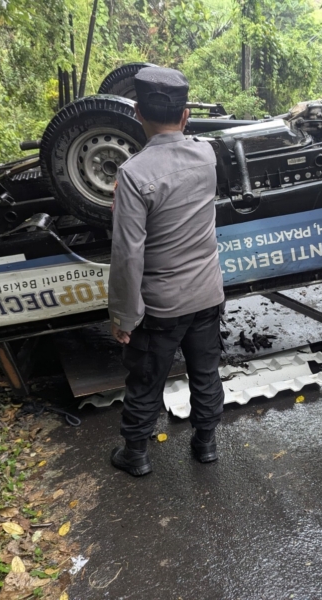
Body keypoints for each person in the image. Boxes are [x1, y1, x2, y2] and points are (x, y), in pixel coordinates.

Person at [108, 66, 225, 476]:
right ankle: (205, 444)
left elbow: (127, 254)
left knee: (145, 379)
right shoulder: (207, 154)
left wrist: (124, 316)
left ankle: (136, 455)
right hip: (207, 293)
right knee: (205, 372)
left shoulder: (134, 175)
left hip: (162, 305)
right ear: (186, 114)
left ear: (137, 112)